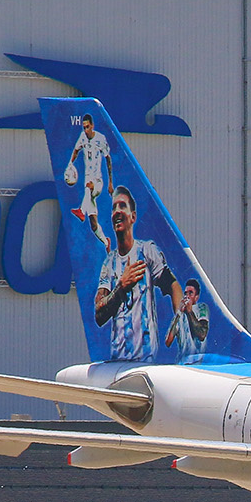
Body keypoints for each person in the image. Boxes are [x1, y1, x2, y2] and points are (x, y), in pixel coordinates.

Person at [92, 186, 182, 360]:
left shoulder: (146, 251)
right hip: (117, 360)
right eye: (114, 208)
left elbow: (173, 285)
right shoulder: (109, 264)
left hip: (145, 358)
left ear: (133, 216)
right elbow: (99, 315)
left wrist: (178, 321)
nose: (117, 211)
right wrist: (121, 287)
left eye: (122, 206)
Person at [64, 114, 112, 253]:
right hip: (87, 181)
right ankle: (105, 241)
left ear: (92, 125)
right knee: (93, 223)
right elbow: (76, 150)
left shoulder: (100, 139)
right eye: (84, 127)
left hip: (97, 182)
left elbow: (108, 158)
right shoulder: (82, 137)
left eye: (87, 127)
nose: (86, 130)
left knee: (89, 186)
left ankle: (81, 210)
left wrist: (110, 183)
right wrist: (70, 164)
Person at [164, 276, 211, 361]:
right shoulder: (180, 315)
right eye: (185, 293)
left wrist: (189, 311)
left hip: (197, 362)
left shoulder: (201, 308)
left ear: (196, 297)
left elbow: (202, 335)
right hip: (182, 362)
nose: (187, 296)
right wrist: (178, 313)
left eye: (190, 293)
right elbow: (168, 342)